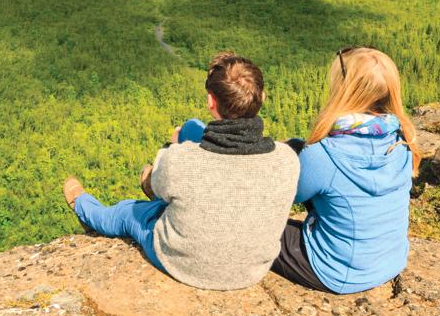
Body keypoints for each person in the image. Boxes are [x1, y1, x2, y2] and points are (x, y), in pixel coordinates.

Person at [63, 52, 300, 291]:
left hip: (184, 263)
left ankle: (85, 208)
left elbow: (183, 169)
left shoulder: (181, 160)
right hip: (252, 271)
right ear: (262, 97)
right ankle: (163, 183)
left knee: (129, 212)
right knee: (191, 128)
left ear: (211, 102)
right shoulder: (287, 159)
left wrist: (170, 149)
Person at [271, 46, 418, 294]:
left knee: (254, 228)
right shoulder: (402, 140)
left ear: (344, 89)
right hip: (390, 260)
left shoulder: (325, 154)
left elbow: (290, 195)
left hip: (337, 271)